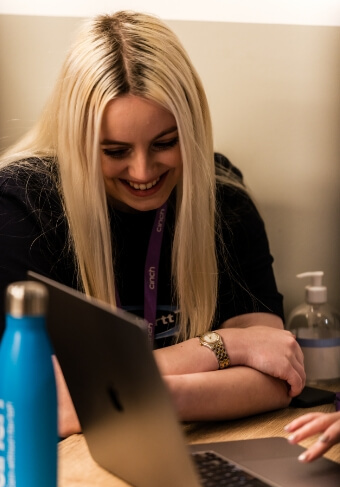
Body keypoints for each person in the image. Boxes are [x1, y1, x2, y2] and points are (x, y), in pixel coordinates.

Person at [0, 10, 305, 438]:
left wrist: (141, 397)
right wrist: (225, 347)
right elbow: (43, 399)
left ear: (191, 129)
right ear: (77, 140)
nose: (143, 172)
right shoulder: (20, 206)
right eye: (115, 151)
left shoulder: (223, 199)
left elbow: (278, 377)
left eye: (164, 143)